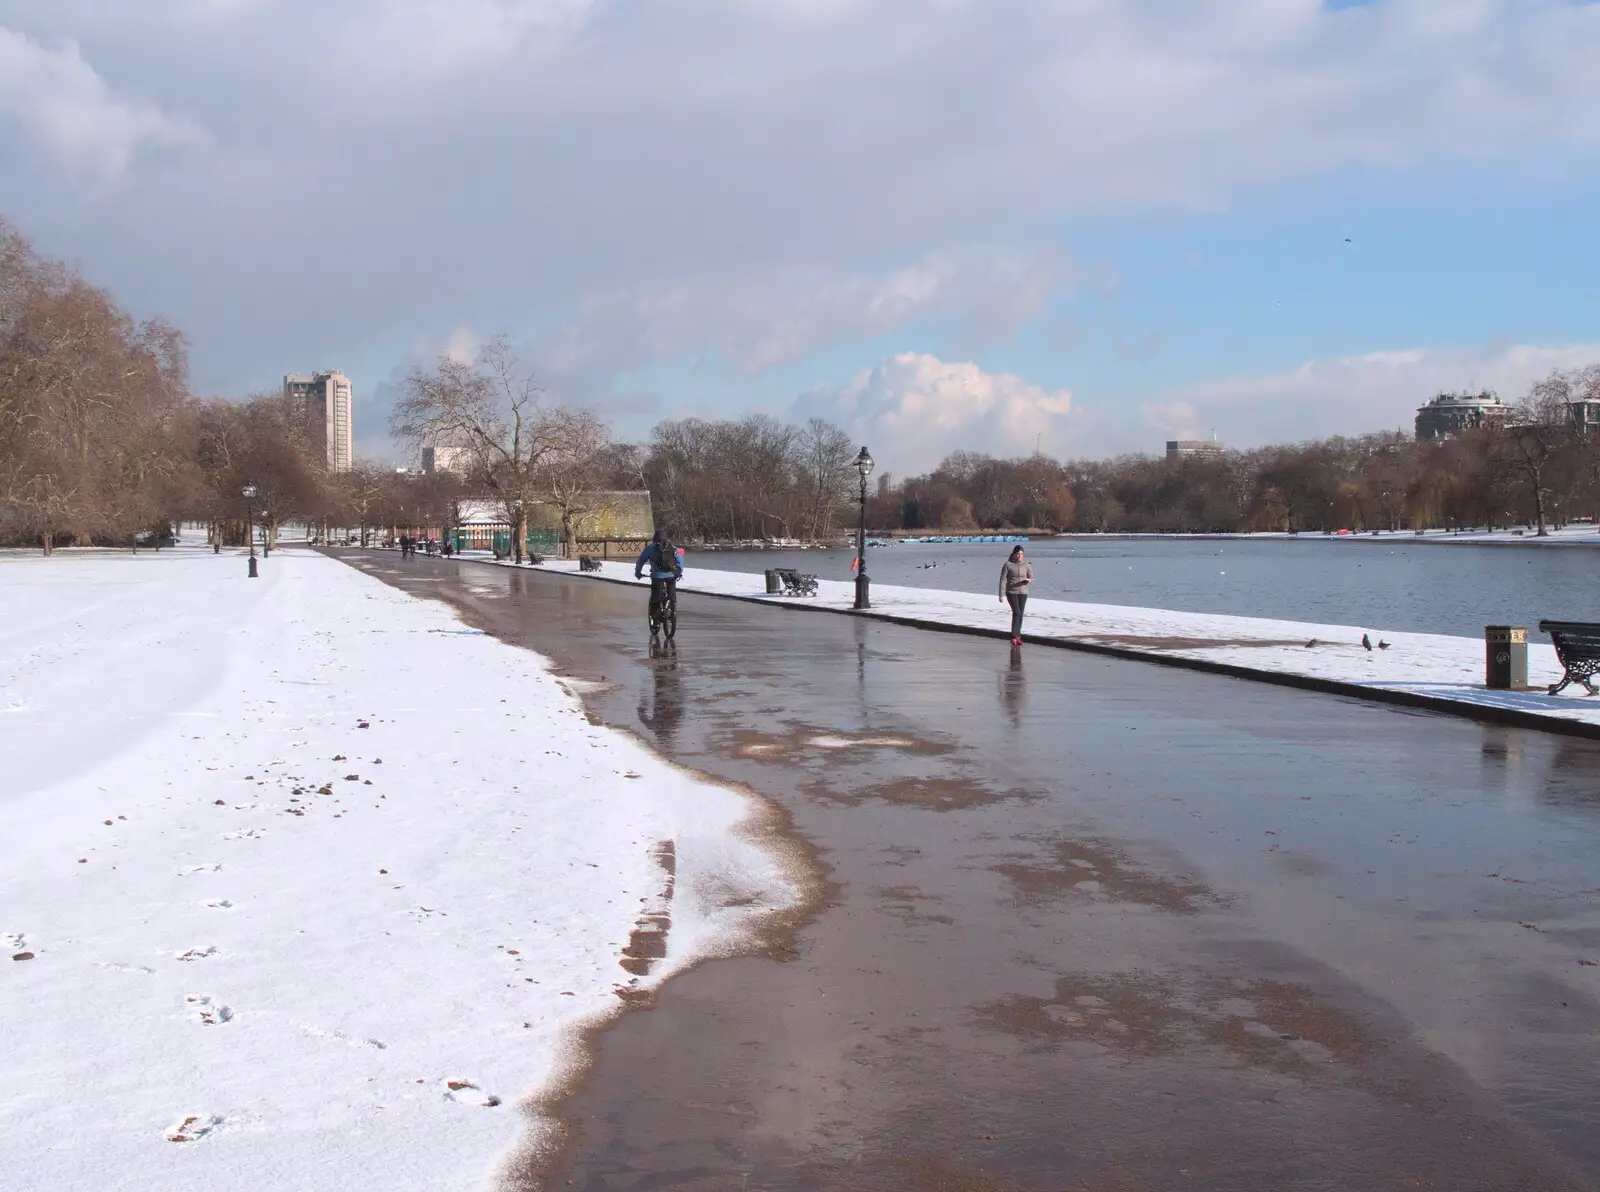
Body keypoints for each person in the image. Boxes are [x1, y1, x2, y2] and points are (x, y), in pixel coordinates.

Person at [635, 529, 684, 628]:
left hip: (657, 577)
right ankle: (671, 609)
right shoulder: (672, 547)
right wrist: (679, 572)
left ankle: (655, 619)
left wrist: (638, 572)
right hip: (671, 575)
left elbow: (641, 561)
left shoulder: (650, 548)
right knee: (671, 595)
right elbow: (680, 560)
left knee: (655, 598)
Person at [998, 544, 1033, 645]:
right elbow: (1003, 580)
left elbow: (1031, 577)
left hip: (1023, 592)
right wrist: (1001, 594)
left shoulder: (1027, 565)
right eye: (1018, 554)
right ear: (1014, 554)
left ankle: (1018, 636)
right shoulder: (1008, 564)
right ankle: (1013, 636)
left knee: (1020, 614)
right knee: (1016, 612)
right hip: (1011, 592)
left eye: (1021, 554)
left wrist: (1028, 580)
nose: (1020, 556)